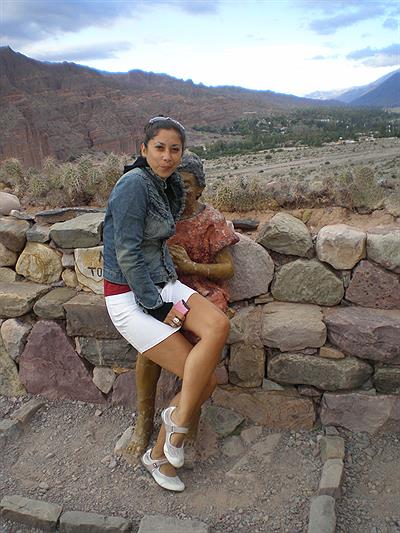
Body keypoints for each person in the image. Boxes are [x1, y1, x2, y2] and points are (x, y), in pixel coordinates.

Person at [103, 117, 230, 492]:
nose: (167, 156)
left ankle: (174, 425)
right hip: (131, 297)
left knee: (218, 326)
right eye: (159, 147)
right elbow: (127, 254)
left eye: (175, 149)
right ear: (143, 149)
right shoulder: (132, 185)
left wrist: (166, 292)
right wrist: (158, 308)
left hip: (164, 282)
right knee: (205, 382)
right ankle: (160, 453)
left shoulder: (165, 184)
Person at [127, 151, 239, 461]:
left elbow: (227, 269)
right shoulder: (162, 216)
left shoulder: (210, 220)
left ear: (200, 188)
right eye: (174, 181)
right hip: (166, 290)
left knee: (200, 343)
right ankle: (144, 419)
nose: (180, 188)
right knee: (149, 345)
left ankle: (188, 416)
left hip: (202, 290)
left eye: (187, 184)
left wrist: (190, 266)